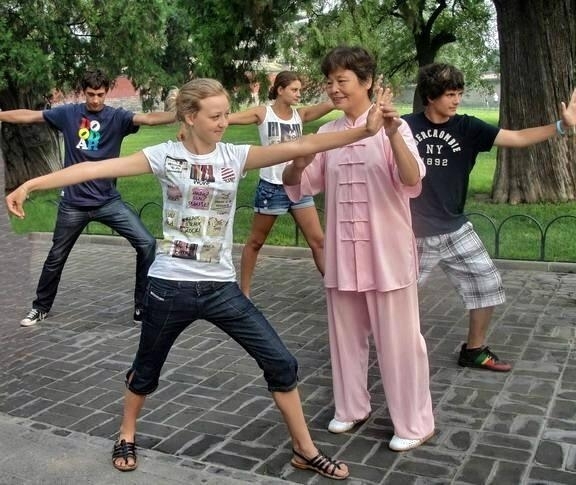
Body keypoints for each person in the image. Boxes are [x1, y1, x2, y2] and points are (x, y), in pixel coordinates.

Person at [6, 77, 391, 479]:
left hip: (221, 289)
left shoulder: (235, 156)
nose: (225, 122)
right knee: (146, 370)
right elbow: (93, 168)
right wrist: (30, 184)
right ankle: (126, 434)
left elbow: (301, 145)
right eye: (216, 116)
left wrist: (364, 132)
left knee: (281, 362)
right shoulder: (163, 156)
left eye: (226, 114)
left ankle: (304, 449)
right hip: (169, 286)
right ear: (190, 117)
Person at [283, 46, 435, 452]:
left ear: (366, 82)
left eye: (342, 80)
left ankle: (416, 422)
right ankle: (352, 406)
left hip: (387, 254)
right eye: (329, 81)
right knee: (345, 337)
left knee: (400, 343)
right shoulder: (328, 134)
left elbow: (411, 180)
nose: (333, 88)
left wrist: (392, 133)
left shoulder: (395, 127)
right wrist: (299, 161)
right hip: (343, 255)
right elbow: (297, 184)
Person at [402, 63, 576, 372]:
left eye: (459, 93)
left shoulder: (468, 127)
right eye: (449, 94)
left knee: (487, 283)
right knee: (396, 298)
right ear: (430, 96)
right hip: (411, 231)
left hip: (454, 227)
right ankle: (393, 352)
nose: (457, 100)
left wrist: (560, 127)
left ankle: (475, 350)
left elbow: (518, 137)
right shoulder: (405, 127)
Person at [0, 69, 176, 327]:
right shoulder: (68, 114)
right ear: (84, 92)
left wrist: (178, 114)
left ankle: (142, 306)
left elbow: (149, 118)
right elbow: (30, 115)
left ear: (106, 92)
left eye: (100, 94)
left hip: (108, 202)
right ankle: (40, 307)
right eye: (91, 94)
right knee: (56, 257)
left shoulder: (117, 117)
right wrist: (1, 115)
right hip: (73, 204)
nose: (95, 100)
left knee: (147, 243)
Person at [227, 71, 333, 297]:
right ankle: (244, 294)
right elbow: (226, 119)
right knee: (256, 242)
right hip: (272, 187)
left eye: (300, 90)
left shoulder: (300, 115)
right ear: (280, 89)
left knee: (319, 242)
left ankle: (336, 292)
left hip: (298, 185)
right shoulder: (262, 113)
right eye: (294, 90)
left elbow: (332, 103)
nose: (298, 94)